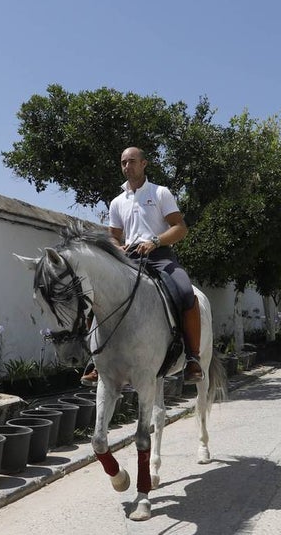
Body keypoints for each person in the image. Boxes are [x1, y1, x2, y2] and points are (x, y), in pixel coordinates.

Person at [81, 146, 205, 385]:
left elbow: (180, 228)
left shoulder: (160, 193)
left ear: (144, 164)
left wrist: (155, 241)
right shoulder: (117, 202)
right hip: (129, 259)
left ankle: (192, 358)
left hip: (160, 256)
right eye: (123, 162)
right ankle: (96, 361)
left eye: (132, 161)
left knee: (186, 293)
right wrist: (117, 249)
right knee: (94, 298)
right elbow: (113, 236)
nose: (127, 166)